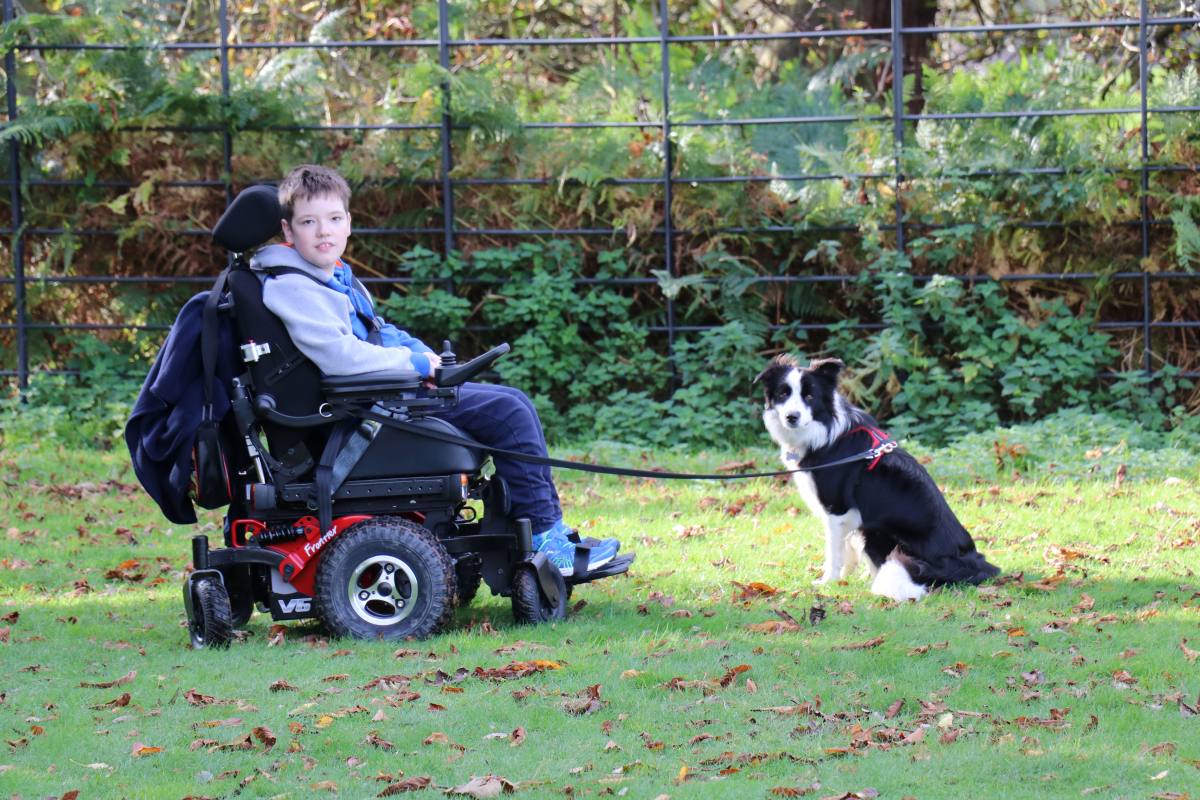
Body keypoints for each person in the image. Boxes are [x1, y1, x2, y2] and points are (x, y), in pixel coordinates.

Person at [248, 164, 618, 576]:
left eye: (334, 219)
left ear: (349, 223)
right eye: (309, 222)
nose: (324, 232)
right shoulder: (292, 286)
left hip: (386, 395)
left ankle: (544, 534)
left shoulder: (330, 274)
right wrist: (415, 365)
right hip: (366, 413)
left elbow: (381, 332)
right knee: (509, 413)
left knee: (511, 401)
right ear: (288, 230)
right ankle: (549, 539)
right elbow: (340, 358)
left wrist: (428, 361)